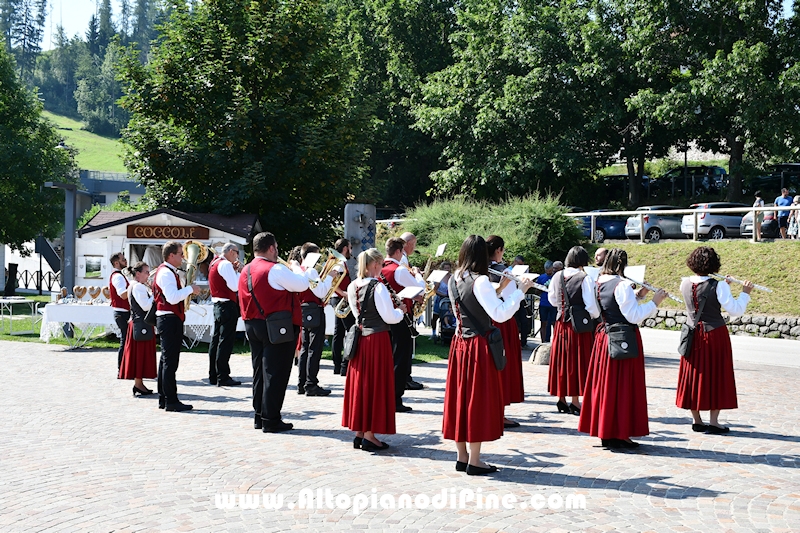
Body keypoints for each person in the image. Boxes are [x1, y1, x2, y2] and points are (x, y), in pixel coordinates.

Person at [443, 235, 533, 475]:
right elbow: (500, 313)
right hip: (478, 347)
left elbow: (468, 304)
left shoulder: (455, 277)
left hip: (460, 344)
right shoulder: (480, 279)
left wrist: (500, 289)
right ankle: (475, 460)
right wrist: (520, 291)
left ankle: (462, 456)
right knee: (477, 401)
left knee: (461, 400)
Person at [578, 248, 667, 449]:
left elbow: (610, 306)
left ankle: (606, 430)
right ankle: (619, 433)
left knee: (606, 386)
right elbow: (633, 316)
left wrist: (639, 295)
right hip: (622, 338)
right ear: (623, 265)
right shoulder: (622, 284)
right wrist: (655, 301)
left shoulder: (598, 281)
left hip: (603, 337)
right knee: (623, 386)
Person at [239, 232, 311, 433]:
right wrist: (298, 268)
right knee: (275, 373)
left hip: (252, 324)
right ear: (271, 248)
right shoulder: (275, 269)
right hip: (276, 326)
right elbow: (302, 284)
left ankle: (259, 416)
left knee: (259, 372)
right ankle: (271, 419)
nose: (277, 252)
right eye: (276, 248)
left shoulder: (246, 269)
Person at [677, 247, 752, 434]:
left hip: (691, 334)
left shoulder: (684, 283)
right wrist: (745, 292)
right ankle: (714, 421)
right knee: (716, 374)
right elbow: (735, 310)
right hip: (714, 334)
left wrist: (724, 285)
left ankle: (697, 420)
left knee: (693, 375)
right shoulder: (719, 285)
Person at [343, 248, 406, 452]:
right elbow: (389, 317)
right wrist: (400, 311)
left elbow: (356, 313)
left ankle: (360, 433)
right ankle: (370, 435)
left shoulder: (353, 286)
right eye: (379, 265)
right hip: (377, 340)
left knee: (362, 385)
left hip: (361, 339)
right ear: (375, 265)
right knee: (375, 385)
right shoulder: (378, 287)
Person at [547, 246, 599, 415]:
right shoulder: (584, 278)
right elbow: (591, 305)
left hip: (561, 322)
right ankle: (575, 402)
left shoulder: (557, 275)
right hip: (578, 324)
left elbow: (553, 299)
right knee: (576, 361)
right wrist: (594, 316)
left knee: (561, 360)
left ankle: (561, 398)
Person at [153, 241, 201, 412]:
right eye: (181, 254)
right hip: (169, 319)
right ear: (171, 255)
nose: (183, 257)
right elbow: (172, 298)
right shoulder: (166, 273)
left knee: (166, 360)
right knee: (170, 362)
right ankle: (171, 400)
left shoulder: (168, 271)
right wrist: (190, 289)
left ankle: (164, 398)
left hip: (169, 318)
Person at [380, 237, 426, 412]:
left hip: (384, 319)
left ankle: (385, 396)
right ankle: (395, 399)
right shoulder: (399, 270)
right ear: (399, 251)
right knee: (400, 358)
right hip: (400, 319)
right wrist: (418, 275)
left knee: (388, 358)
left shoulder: (380, 268)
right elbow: (419, 288)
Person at [486, 235, 525, 428]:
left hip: (486, 320)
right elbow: (511, 301)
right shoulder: (504, 272)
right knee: (502, 364)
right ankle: (499, 412)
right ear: (499, 250)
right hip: (503, 320)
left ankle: (492, 409)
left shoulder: (479, 271)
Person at [297, 242, 334, 396]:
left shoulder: (299, 269)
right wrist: (330, 277)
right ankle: (311, 384)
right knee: (314, 348)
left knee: (305, 348)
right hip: (314, 309)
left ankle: (302, 382)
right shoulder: (311, 271)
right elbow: (321, 291)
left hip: (304, 309)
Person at [118, 261, 156, 396]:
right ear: (138, 274)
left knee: (139, 355)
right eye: (146, 272)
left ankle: (139, 383)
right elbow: (146, 306)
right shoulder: (138, 287)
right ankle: (138, 384)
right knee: (140, 355)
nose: (148, 275)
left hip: (137, 323)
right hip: (141, 324)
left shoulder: (134, 285)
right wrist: (155, 295)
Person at [207, 243, 243, 387]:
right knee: (225, 342)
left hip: (217, 305)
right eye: (235, 252)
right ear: (229, 251)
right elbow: (234, 286)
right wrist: (239, 272)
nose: (237, 255)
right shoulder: (226, 265)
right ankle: (223, 375)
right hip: (227, 305)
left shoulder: (214, 262)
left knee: (216, 341)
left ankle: (213, 374)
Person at [398, 231, 425, 390]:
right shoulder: (401, 262)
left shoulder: (403, 259)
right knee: (404, 347)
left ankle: (405, 377)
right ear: (407, 244)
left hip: (405, 305)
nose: (414, 248)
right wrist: (417, 275)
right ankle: (405, 378)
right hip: (403, 306)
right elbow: (412, 285)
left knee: (404, 346)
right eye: (413, 244)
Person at [330, 238, 355, 376]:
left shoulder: (337, 261)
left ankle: (338, 365)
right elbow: (334, 282)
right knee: (350, 330)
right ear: (345, 248)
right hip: (341, 299)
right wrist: (344, 293)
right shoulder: (339, 262)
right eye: (350, 248)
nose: (351, 251)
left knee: (338, 333)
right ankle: (345, 365)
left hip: (337, 299)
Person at [109, 252, 130, 370]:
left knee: (125, 340)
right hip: (122, 312)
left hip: (122, 311)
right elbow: (122, 294)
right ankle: (121, 368)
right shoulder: (117, 276)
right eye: (123, 259)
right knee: (125, 340)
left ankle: (123, 367)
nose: (126, 261)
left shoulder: (119, 275)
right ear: (116, 263)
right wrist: (133, 287)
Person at [429, 261, 452, 341]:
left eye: (448, 268)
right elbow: (434, 290)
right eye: (445, 268)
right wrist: (443, 295)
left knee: (448, 314)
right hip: (439, 298)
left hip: (449, 299)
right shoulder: (439, 278)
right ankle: (433, 333)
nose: (447, 270)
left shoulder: (452, 277)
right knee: (435, 316)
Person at [512, 255, 532, 347]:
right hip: (511, 298)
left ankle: (523, 342)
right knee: (514, 321)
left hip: (521, 299)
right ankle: (515, 341)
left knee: (524, 321)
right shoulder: (508, 270)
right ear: (515, 262)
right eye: (519, 264)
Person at [535, 261, 556, 342]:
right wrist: (542, 287)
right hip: (543, 303)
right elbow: (537, 291)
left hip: (553, 304)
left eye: (549, 269)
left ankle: (555, 341)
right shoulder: (541, 278)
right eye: (546, 270)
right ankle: (543, 341)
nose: (548, 271)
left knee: (554, 323)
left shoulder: (555, 277)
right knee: (543, 323)